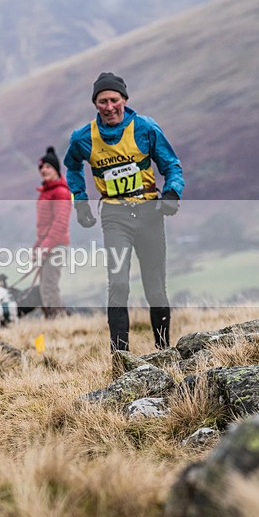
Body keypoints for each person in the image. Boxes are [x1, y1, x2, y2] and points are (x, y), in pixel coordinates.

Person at [64, 72, 184, 353]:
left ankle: (163, 351)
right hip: (114, 215)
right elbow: (72, 166)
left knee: (155, 287)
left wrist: (172, 193)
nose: (109, 107)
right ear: (95, 104)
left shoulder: (145, 128)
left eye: (114, 100)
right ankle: (120, 357)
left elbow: (171, 165)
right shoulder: (83, 137)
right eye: (102, 101)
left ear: (124, 100)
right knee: (118, 284)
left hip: (149, 212)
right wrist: (80, 201)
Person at [34, 146, 71, 319]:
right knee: (45, 286)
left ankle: (58, 321)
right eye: (42, 167)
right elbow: (43, 226)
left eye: (48, 167)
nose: (44, 170)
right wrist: (37, 247)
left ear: (56, 169)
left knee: (49, 285)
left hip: (56, 245)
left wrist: (45, 247)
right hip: (47, 245)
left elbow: (60, 223)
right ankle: (54, 320)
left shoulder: (61, 192)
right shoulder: (46, 192)